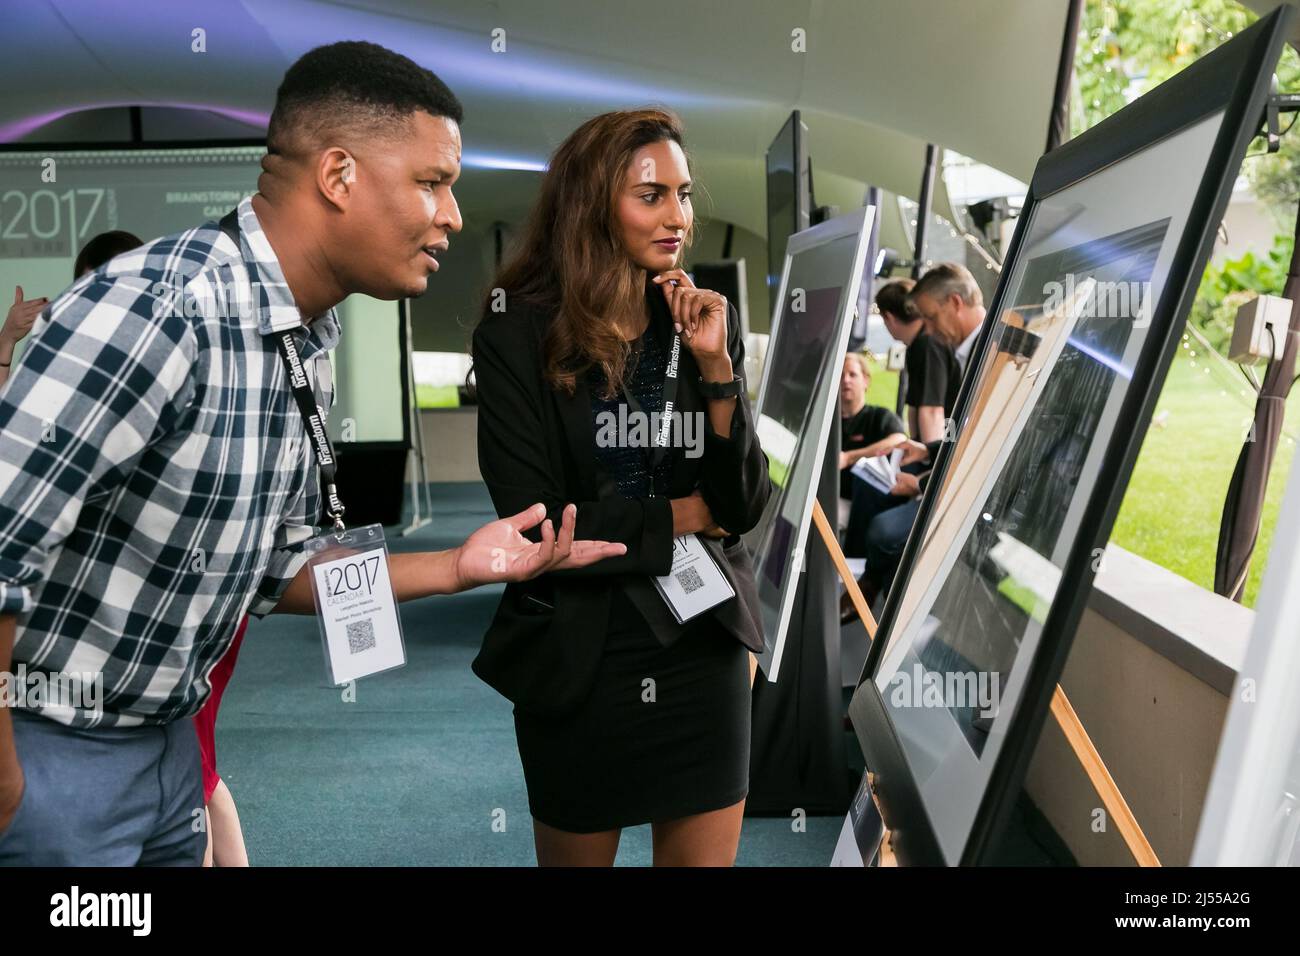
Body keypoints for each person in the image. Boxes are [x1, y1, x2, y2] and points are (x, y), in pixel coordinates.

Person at [0, 40, 625, 866]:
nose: (454, 215)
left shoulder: (304, 338)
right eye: (432, 182)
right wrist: (10, 785)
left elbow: (270, 567)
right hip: (53, 758)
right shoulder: (159, 310)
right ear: (338, 176)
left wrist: (459, 567)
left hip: (169, 751)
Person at [471, 108, 771, 867]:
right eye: (652, 196)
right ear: (591, 204)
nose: (680, 217)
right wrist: (683, 515)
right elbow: (537, 527)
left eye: (685, 194)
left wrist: (716, 371)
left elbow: (741, 507)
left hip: (702, 644)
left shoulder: (700, 321)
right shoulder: (516, 330)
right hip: (583, 654)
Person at [837, 351, 906, 556]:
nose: (846, 381)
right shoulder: (827, 423)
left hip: (859, 506)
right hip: (823, 498)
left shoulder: (880, 417)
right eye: (840, 375)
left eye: (852, 374)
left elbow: (900, 440)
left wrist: (849, 457)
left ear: (866, 380)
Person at [875, 278, 960, 443]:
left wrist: (928, 459)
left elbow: (931, 409)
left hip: (946, 443)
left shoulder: (927, 343)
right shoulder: (919, 343)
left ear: (889, 317)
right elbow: (915, 406)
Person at [908, 261, 987, 377]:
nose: (928, 331)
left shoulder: (999, 354)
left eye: (931, 317)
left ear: (955, 303)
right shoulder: (980, 350)